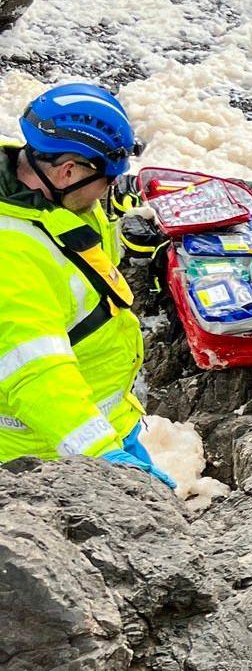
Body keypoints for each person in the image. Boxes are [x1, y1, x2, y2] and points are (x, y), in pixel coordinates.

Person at [0, 82, 173, 488]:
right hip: (46, 453)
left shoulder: (39, 181)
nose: (110, 190)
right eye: (108, 180)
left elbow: (84, 234)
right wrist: (102, 455)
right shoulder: (12, 261)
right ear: (67, 172)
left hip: (106, 419)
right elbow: (37, 373)